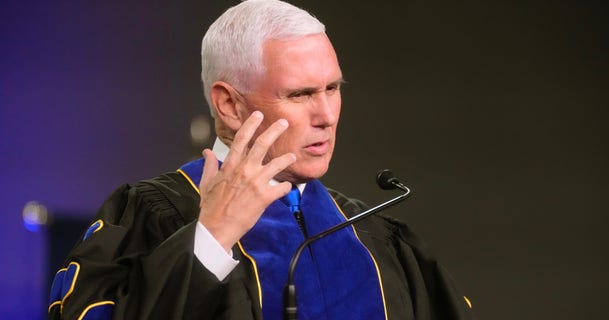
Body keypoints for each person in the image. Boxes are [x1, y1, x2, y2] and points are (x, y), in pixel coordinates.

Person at [47, 0, 475, 319]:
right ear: (229, 105)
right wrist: (211, 239)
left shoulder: (374, 236)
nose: (326, 115)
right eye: (301, 94)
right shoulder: (152, 215)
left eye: (333, 88)